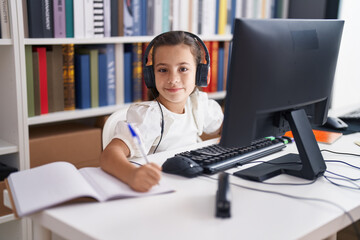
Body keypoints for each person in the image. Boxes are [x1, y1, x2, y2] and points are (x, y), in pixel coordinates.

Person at [100, 31, 223, 192]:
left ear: (200, 74)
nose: (173, 79)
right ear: (151, 76)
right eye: (163, 70)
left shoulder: (198, 104)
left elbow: (223, 124)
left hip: (191, 185)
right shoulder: (149, 117)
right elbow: (109, 155)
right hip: (161, 189)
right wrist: (131, 175)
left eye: (183, 69)